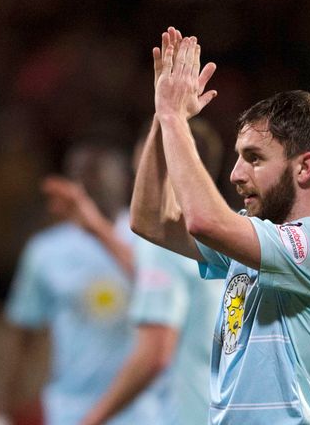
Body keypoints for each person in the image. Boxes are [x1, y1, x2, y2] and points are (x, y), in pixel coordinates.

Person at [131, 28, 310, 424]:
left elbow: (204, 220)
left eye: (254, 158)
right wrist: (162, 115)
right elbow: (150, 221)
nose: (236, 174)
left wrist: (175, 120)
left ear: (305, 167)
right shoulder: (257, 238)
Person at [0, 144, 164, 425]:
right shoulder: (46, 250)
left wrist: (98, 230)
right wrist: (3, 408)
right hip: (71, 409)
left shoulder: (151, 239)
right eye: (78, 178)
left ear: (124, 180)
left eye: (98, 176)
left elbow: (160, 286)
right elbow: (23, 333)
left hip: (143, 409)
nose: (87, 187)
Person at [78, 117, 225, 425]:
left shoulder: (163, 246)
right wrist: (101, 231)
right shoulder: (219, 237)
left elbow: (154, 356)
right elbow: (160, 279)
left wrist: (91, 420)